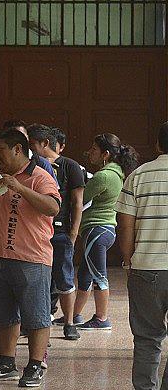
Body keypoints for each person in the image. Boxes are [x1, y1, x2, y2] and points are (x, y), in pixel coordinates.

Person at [0, 128, 60, 388]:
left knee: (37, 313)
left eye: (0, 150)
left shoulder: (39, 177)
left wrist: (19, 188)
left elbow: (52, 207)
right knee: (3, 312)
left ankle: (35, 365)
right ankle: (6, 363)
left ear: (17, 149)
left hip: (30, 257)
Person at [116, 121, 168, 390]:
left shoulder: (139, 175)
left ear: (158, 145)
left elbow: (125, 223)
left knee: (147, 337)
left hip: (147, 267)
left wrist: (128, 260)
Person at [74, 133, 139, 330]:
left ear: (106, 153)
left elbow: (80, 198)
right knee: (85, 274)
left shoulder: (104, 176)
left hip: (96, 229)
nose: (89, 153)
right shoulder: (117, 173)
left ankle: (102, 318)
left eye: (94, 149)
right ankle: (74, 315)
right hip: (106, 229)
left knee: (99, 276)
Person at [27, 124, 85, 340]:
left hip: (60, 231)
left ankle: (69, 322)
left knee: (64, 278)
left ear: (45, 143)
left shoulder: (70, 166)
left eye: (33, 144)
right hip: (35, 231)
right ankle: (42, 324)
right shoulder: (30, 165)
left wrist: (73, 232)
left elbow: (77, 201)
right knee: (39, 280)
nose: (30, 149)